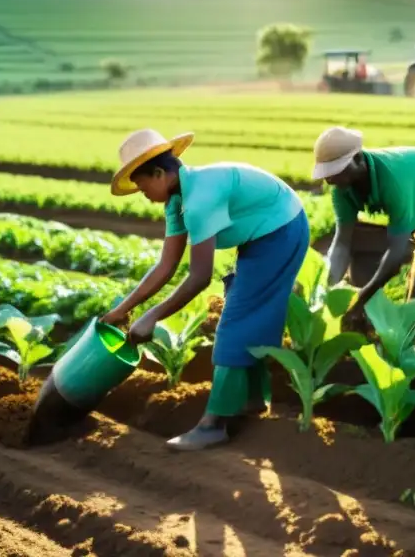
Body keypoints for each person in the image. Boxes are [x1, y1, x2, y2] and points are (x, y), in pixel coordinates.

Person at [101, 128, 309, 451]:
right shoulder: (177, 201)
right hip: (261, 235)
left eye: (143, 188)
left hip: (282, 230)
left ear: (159, 174)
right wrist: (123, 311)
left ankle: (213, 425)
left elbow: (199, 276)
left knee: (235, 322)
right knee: (248, 316)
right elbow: (166, 266)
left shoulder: (198, 199)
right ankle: (253, 401)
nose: (144, 196)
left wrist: (152, 317)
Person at [312, 127, 415, 318]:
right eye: (327, 173)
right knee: (364, 248)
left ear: (357, 158)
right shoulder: (341, 188)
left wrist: (362, 298)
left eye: (336, 170)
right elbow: (342, 242)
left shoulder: (393, 182)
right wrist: (324, 288)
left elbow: (395, 257)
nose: (330, 179)